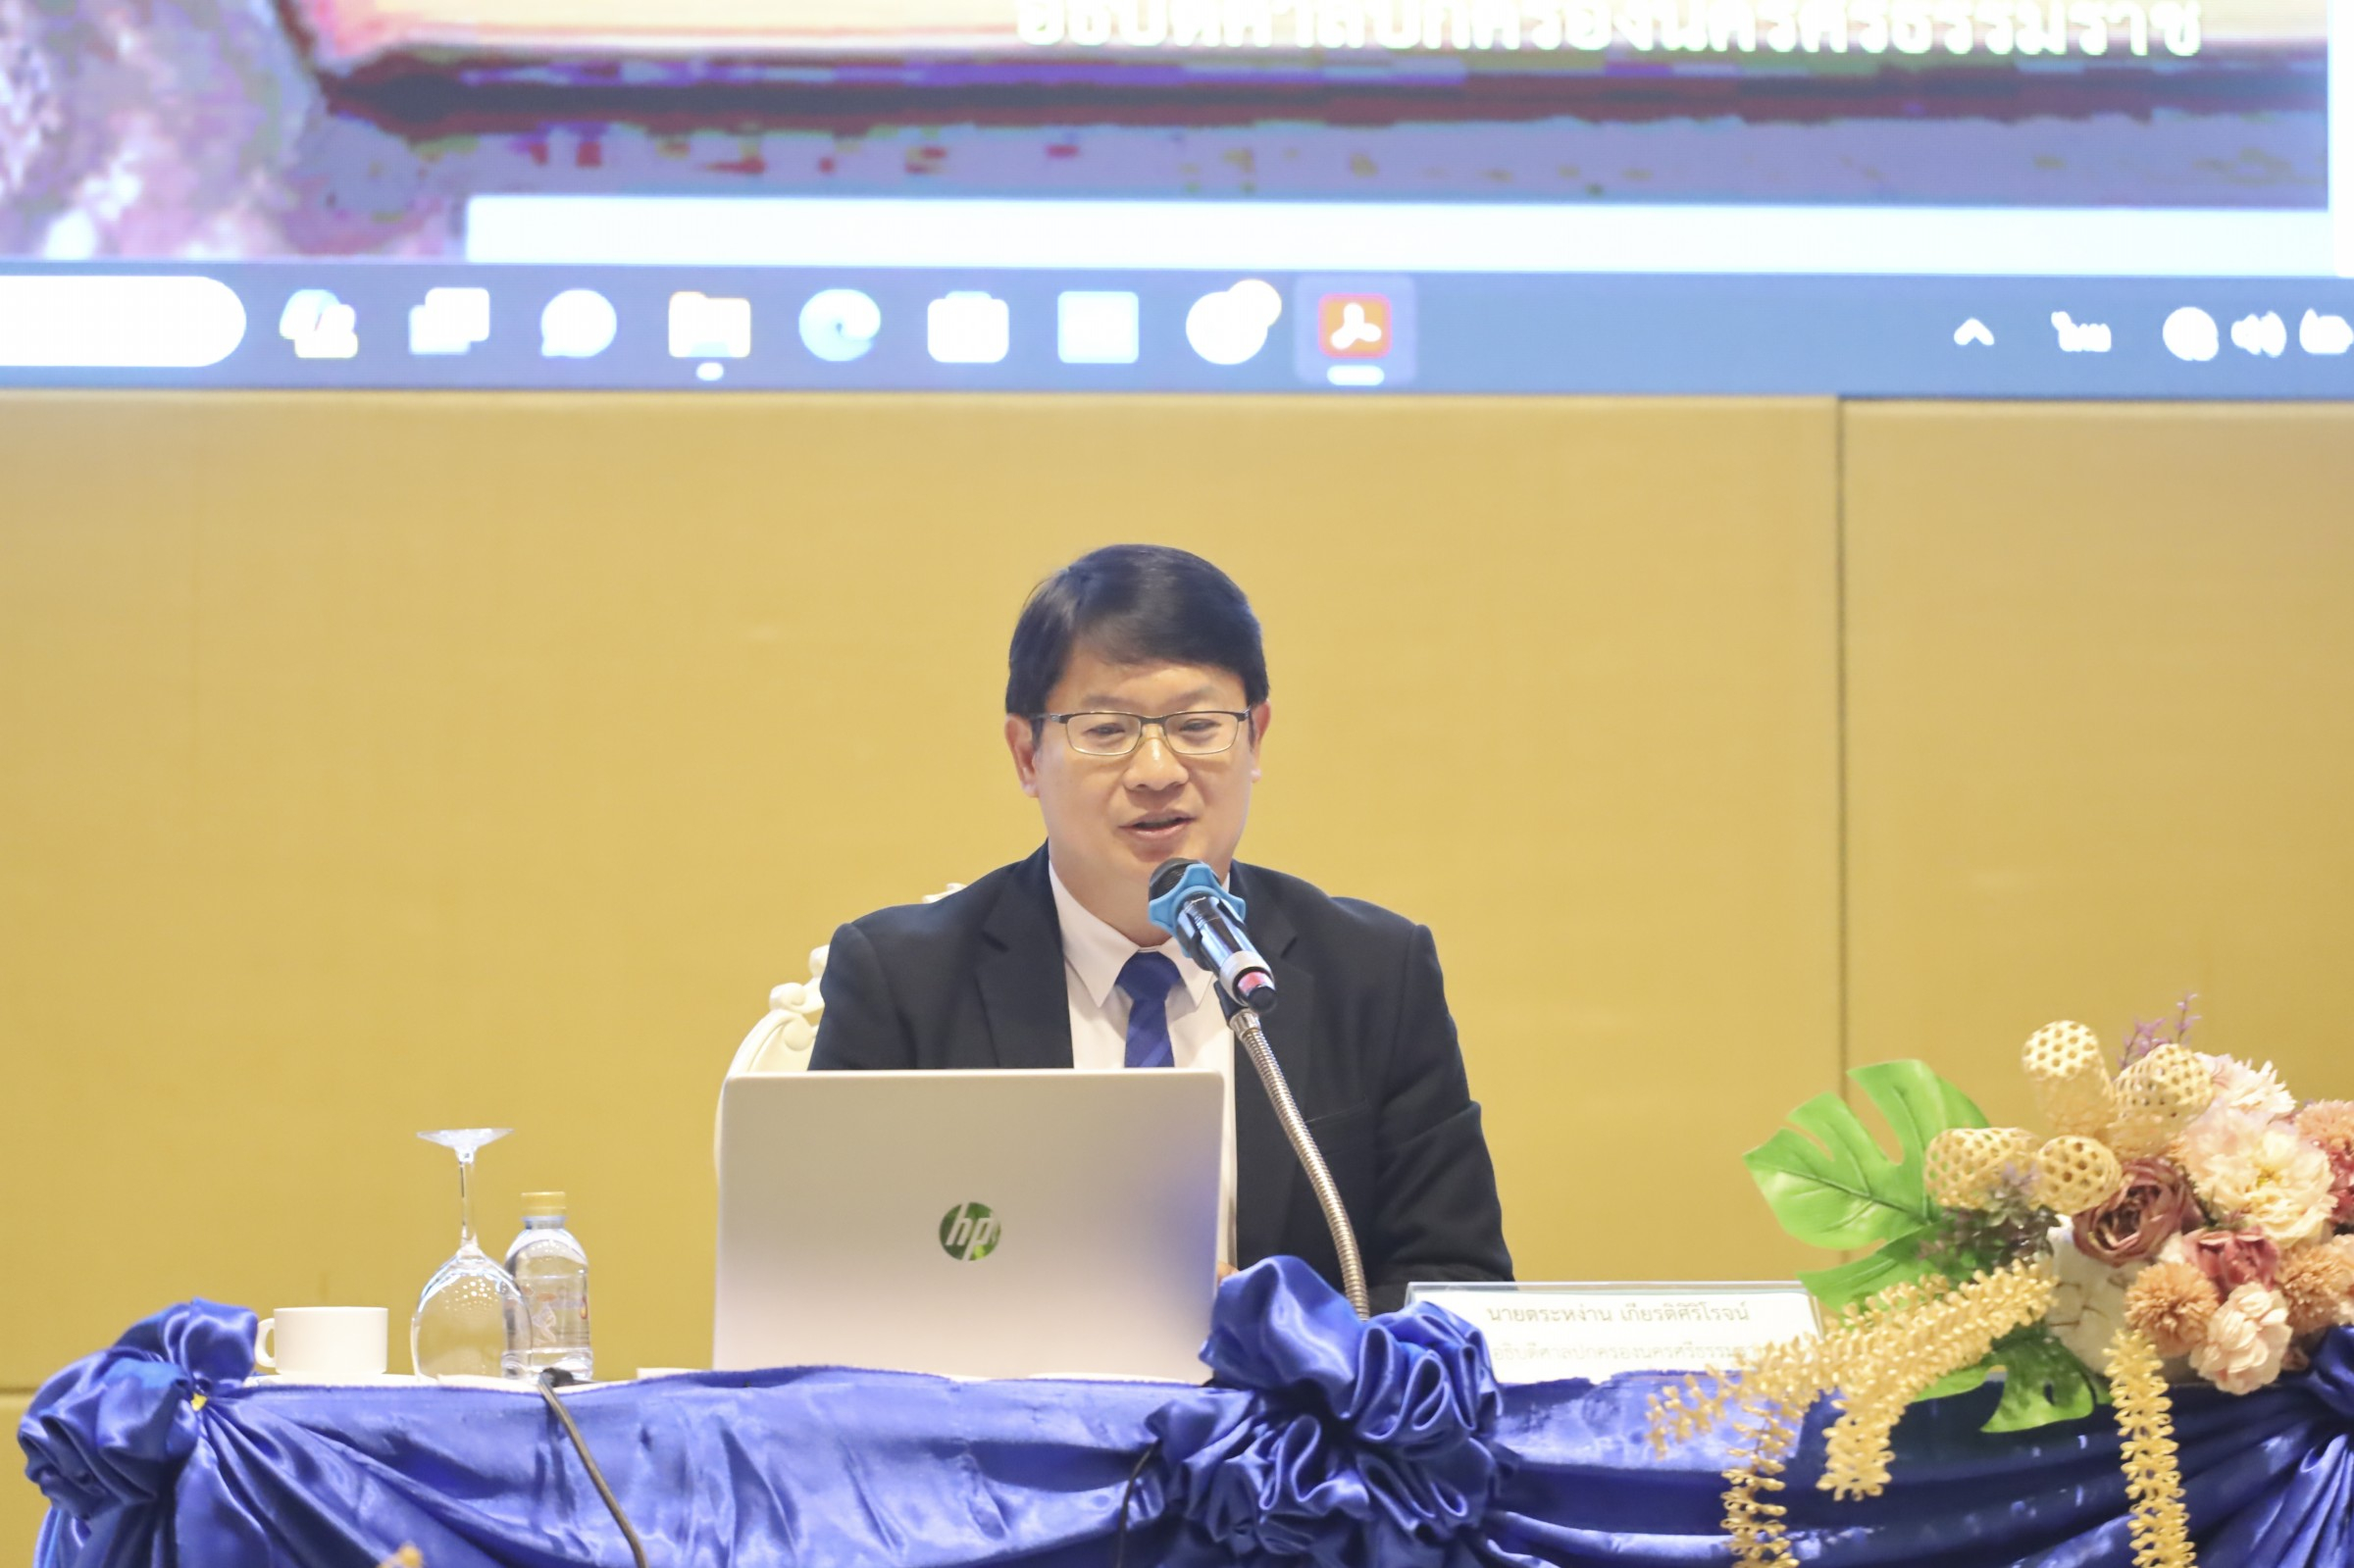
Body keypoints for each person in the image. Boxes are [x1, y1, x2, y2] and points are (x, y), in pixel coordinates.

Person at [809, 544, 1510, 1311]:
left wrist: (1275, 1329)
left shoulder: (1374, 973)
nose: (1156, 771)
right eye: (1106, 730)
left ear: (1256, 737)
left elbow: (1459, 1286)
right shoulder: (904, 982)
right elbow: (828, 1285)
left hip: (1288, 1393)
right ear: (1027, 754)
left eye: (1198, 726)